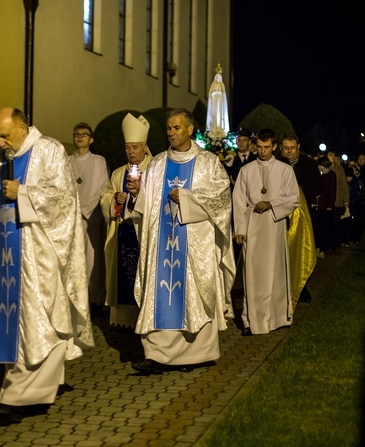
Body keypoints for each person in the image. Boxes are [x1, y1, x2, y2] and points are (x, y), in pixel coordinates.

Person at [0, 107, 93, 424]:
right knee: (24, 325)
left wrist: (24, 192)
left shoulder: (49, 150)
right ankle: (35, 395)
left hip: (39, 257)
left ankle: (15, 398)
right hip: (6, 258)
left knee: (37, 324)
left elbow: (64, 200)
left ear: (23, 127)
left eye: (4, 135)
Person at [130, 108, 235, 374]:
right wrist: (135, 195)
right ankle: (157, 355)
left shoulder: (208, 162)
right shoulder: (157, 164)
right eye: (168, 128)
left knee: (194, 295)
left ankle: (197, 353)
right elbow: (144, 207)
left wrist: (187, 199)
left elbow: (221, 199)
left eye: (176, 128)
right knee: (159, 292)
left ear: (189, 130)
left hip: (194, 245)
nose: (171, 133)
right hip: (161, 244)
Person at [233, 129, 299, 335]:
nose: (262, 151)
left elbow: (294, 198)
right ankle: (251, 321)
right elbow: (238, 201)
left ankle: (277, 317)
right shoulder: (246, 170)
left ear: (274, 146)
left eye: (266, 147)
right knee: (252, 274)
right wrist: (240, 229)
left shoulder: (285, 170)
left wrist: (272, 204)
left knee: (275, 272)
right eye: (259, 147)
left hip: (274, 225)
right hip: (253, 225)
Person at [100, 113, 153, 330]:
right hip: (123, 231)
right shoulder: (119, 173)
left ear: (144, 147)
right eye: (127, 148)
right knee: (122, 277)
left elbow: (158, 199)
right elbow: (104, 198)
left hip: (143, 232)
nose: (131, 152)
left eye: (135, 147)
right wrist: (115, 199)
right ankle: (124, 320)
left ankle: (144, 317)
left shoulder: (154, 170)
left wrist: (141, 193)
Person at [69, 122, 109, 312]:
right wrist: (72, 211)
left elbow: (103, 188)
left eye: (84, 134)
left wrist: (86, 211)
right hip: (71, 216)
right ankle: (74, 298)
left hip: (91, 216)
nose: (80, 137)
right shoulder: (66, 161)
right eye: (77, 134)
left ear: (91, 139)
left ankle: (93, 298)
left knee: (92, 258)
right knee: (72, 259)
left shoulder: (98, 161)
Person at [278, 132, 318, 305]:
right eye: (286, 148)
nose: (289, 152)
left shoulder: (308, 164)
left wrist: (299, 193)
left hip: (303, 212)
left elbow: (318, 185)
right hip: (280, 214)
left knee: (301, 249)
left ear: (298, 147)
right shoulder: (276, 163)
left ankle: (301, 286)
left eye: (292, 148)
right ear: (280, 148)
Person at [327, 150, 349, 254]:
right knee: (328, 224)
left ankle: (336, 245)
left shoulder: (339, 169)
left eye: (332, 155)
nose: (331, 157)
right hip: (327, 201)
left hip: (337, 200)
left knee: (336, 223)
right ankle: (329, 245)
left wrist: (346, 201)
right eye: (329, 155)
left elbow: (344, 184)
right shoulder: (324, 167)